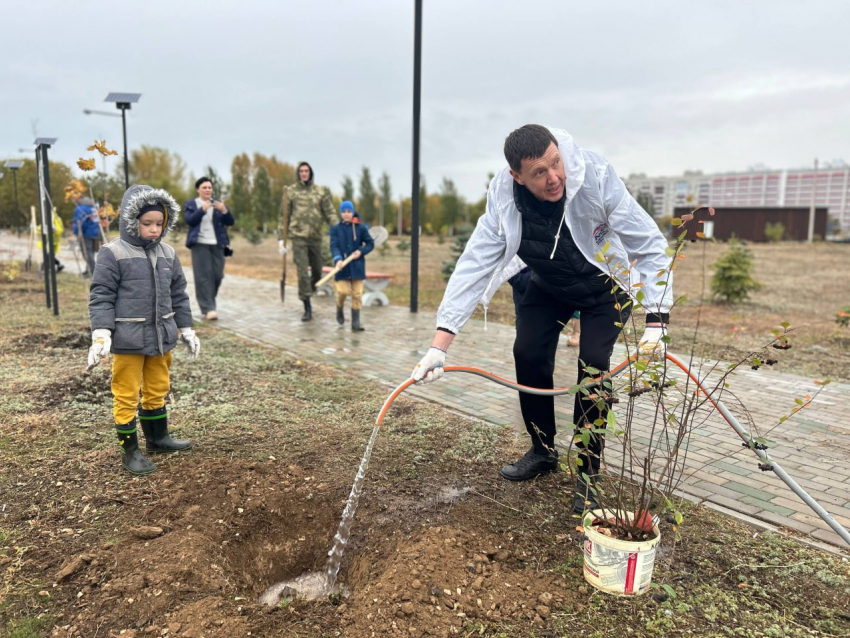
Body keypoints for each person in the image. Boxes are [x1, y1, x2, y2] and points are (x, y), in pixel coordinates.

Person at [411, 125, 671, 513]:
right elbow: (473, 266)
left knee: (593, 365)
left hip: (605, 288)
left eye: (556, 163)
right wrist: (438, 347)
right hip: (549, 284)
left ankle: (588, 472)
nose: (554, 177)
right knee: (528, 353)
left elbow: (649, 244)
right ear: (517, 177)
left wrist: (656, 322)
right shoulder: (504, 201)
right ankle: (542, 449)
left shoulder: (595, 176)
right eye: (539, 172)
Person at [88, 185, 201, 475]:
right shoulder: (113, 253)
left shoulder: (168, 254)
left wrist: (186, 328)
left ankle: (158, 438)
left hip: (162, 338)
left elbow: (179, 294)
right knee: (126, 393)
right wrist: (101, 333)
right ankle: (130, 451)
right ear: (131, 220)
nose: (154, 229)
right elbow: (101, 295)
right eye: (147, 223)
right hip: (128, 340)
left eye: (159, 224)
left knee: (158, 387)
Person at [279, 161, 337, 322]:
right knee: (302, 273)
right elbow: (284, 217)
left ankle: (309, 290)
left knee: (317, 271)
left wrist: (339, 229)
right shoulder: (290, 192)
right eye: (301, 171)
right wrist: (281, 239)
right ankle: (307, 306)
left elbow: (330, 212)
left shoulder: (320, 192)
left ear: (310, 173)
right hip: (299, 237)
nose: (304, 173)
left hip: (316, 237)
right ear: (298, 173)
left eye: (306, 171)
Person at [184, 177, 234, 321]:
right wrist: (202, 210)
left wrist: (224, 210)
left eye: (209, 187)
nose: (207, 190)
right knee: (203, 276)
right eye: (204, 187)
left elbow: (230, 221)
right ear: (198, 189)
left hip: (217, 244)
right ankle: (208, 308)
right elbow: (190, 220)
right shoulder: (192, 204)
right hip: (199, 243)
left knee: (217, 275)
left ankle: (209, 302)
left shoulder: (218, 203)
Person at [329, 201, 375, 331]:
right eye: (344, 212)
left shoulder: (361, 228)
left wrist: (361, 251)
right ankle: (339, 307)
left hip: (357, 266)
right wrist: (338, 259)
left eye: (349, 211)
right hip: (342, 267)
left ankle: (356, 323)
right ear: (341, 213)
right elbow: (334, 246)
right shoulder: (336, 229)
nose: (346, 214)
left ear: (353, 212)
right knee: (343, 292)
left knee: (357, 294)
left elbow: (370, 244)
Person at [72, 196, 101, 276]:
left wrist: (78, 233)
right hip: (95, 232)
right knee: (91, 253)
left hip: (85, 233)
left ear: (79, 198)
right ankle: (88, 270)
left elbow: (80, 222)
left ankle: (93, 271)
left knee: (87, 253)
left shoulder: (80, 208)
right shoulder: (93, 208)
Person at [37, 208, 65, 272]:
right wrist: (35, 228)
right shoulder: (45, 219)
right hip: (46, 240)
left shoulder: (57, 219)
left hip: (54, 241)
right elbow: (41, 228)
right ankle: (58, 265)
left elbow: (60, 230)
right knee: (48, 255)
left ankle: (46, 268)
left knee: (49, 255)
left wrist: (55, 229)